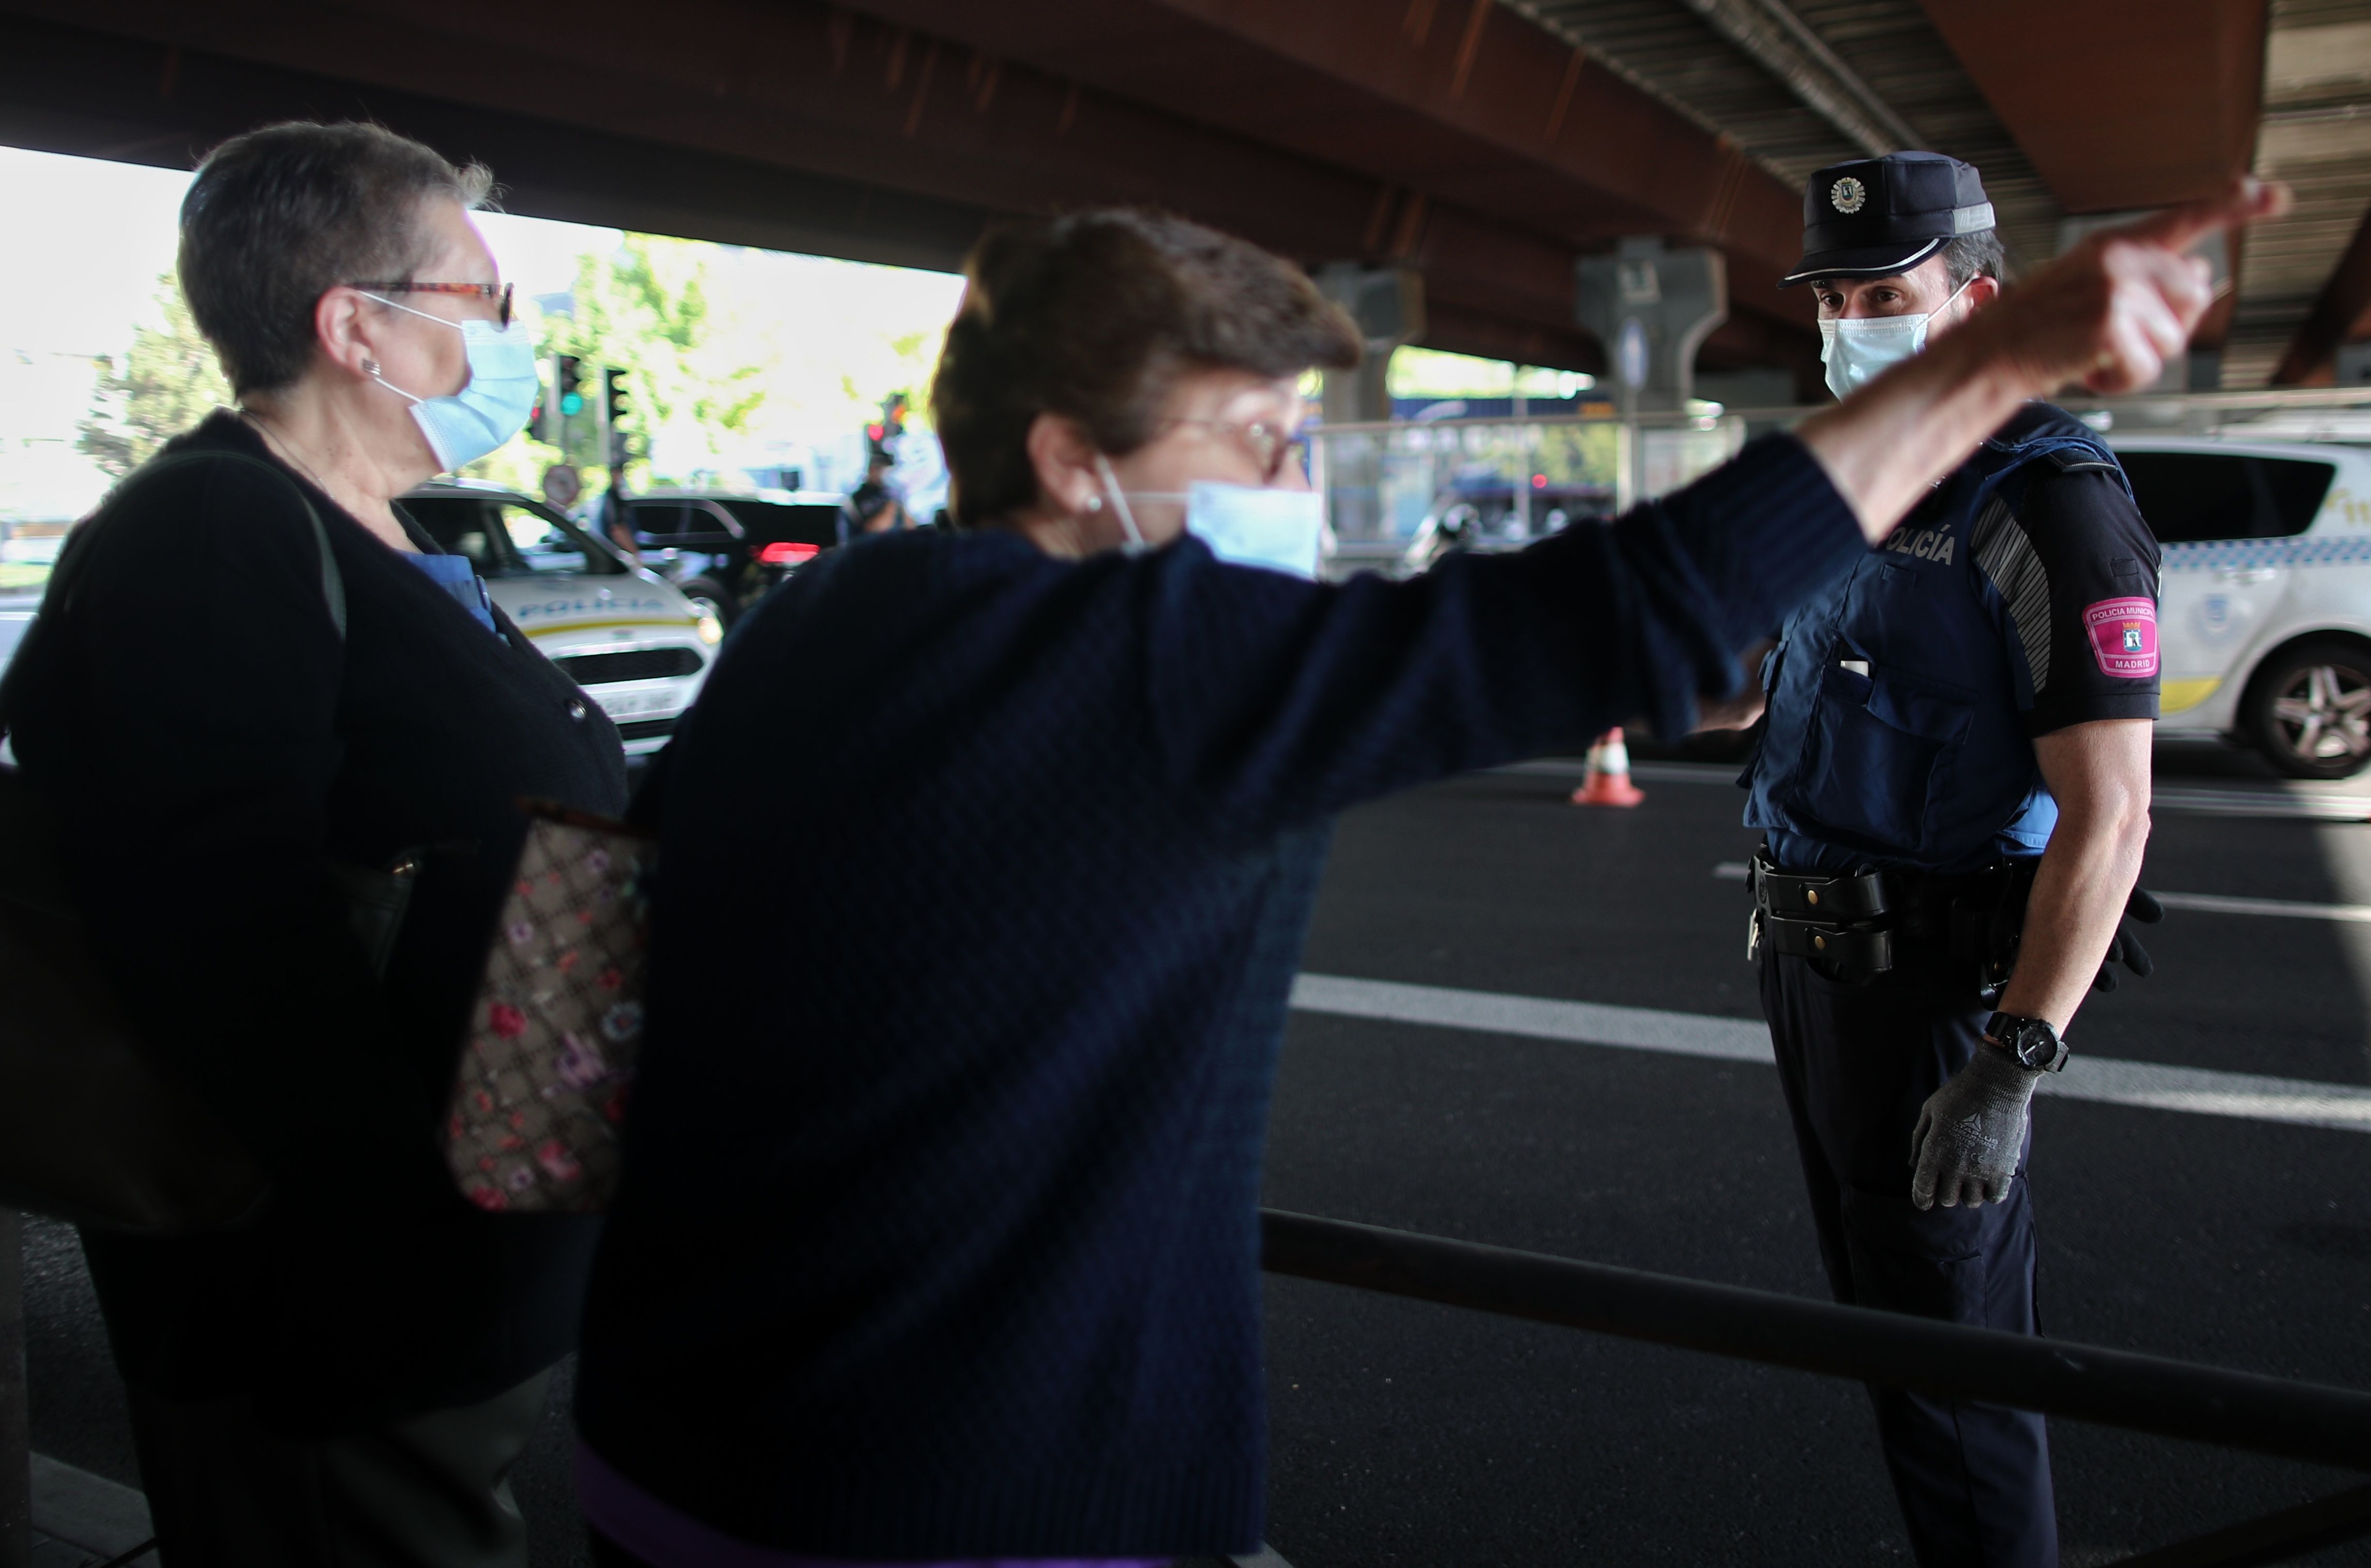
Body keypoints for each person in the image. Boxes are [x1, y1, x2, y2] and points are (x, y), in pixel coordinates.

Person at [573, 191, 2269, 1567]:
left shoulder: (818, 623)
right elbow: (1634, 602)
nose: (1291, 485)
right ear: (1068, 457)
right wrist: (2007, 357)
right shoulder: (1166, 661)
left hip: (655, 1433)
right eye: (1250, 437)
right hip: (958, 1501)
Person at [4, 121, 626, 1565]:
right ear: (356, 325)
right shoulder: (216, 528)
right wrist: (408, 1222)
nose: (514, 339)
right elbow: (220, 924)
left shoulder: (363, 530)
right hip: (337, 1290)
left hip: (452, 1254)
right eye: (484, 301)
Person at [1742, 151, 2176, 1567]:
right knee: (1890, 1341)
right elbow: (1750, 684)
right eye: (1833, 294)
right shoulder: (1838, 478)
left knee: (1957, 1373)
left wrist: (2012, 1061)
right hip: (1809, 967)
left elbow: (2110, 815)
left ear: (1975, 300)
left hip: (1937, 999)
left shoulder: (2048, 498)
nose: (1849, 319)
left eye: (1885, 290)